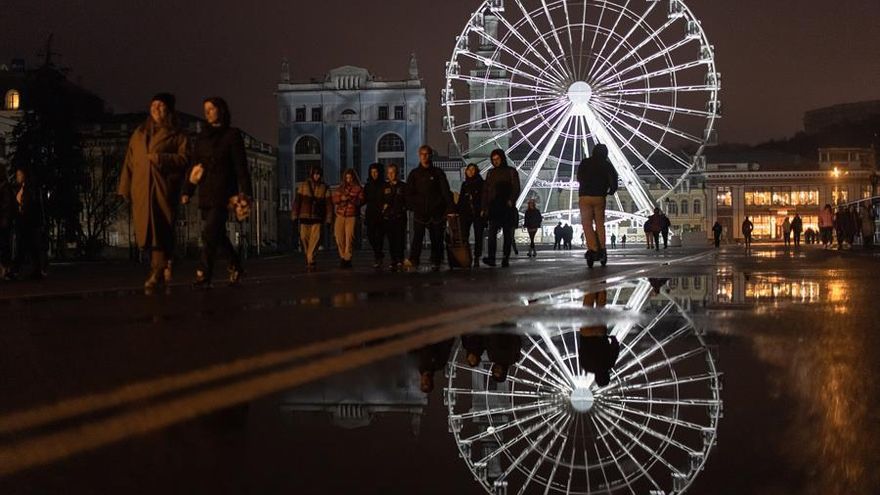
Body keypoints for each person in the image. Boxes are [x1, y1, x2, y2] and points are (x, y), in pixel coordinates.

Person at [117, 93, 188, 292]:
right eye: (153, 105)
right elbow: (129, 162)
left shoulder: (177, 134)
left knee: (160, 228)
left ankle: (156, 271)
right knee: (145, 231)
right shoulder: (139, 133)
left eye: (161, 105)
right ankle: (165, 262)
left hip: (163, 188)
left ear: (169, 110)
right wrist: (125, 187)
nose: (156, 108)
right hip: (141, 189)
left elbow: (185, 159)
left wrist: (161, 158)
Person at [182, 97, 252, 288]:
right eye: (206, 109)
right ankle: (235, 264)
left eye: (212, 108)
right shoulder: (202, 138)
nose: (208, 112)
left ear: (222, 110)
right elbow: (194, 166)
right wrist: (187, 190)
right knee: (218, 234)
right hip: (206, 192)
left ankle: (204, 273)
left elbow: (241, 167)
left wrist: (246, 193)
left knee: (209, 232)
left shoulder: (232, 135)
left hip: (225, 193)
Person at [405, 145, 453, 271]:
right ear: (419, 155)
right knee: (417, 238)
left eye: (427, 154)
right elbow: (408, 193)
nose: (425, 156)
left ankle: (437, 260)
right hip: (420, 211)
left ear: (430, 155)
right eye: (422, 154)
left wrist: (449, 208)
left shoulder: (438, 173)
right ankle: (414, 259)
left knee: (437, 238)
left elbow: (445, 191)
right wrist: (414, 205)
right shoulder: (414, 174)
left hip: (436, 211)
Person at [481, 148, 520, 267]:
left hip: (506, 206)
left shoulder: (511, 171)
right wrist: (484, 207)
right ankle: (492, 257)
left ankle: (505, 257)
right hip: (494, 206)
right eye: (493, 160)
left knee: (507, 233)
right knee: (492, 233)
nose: (495, 161)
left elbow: (516, 187)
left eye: (497, 159)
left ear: (502, 158)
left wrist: (511, 200)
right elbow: (486, 191)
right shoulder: (490, 173)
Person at [291, 166, 333, 271]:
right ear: (311, 174)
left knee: (316, 238)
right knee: (304, 238)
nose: (316, 176)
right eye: (315, 174)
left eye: (318, 174)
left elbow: (329, 205)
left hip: (317, 218)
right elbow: (297, 201)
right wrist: (294, 215)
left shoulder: (325, 187)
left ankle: (311, 258)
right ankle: (309, 255)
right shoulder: (303, 186)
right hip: (304, 217)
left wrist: (329, 219)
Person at [332, 168, 364, 268]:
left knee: (349, 237)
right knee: (338, 236)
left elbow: (361, 200)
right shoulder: (340, 188)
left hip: (351, 215)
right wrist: (341, 198)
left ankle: (347, 258)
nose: (348, 180)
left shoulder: (358, 188)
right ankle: (342, 256)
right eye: (347, 178)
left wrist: (353, 200)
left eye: (350, 178)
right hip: (341, 214)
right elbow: (334, 198)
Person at [457, 163, 485, 267]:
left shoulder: (481, 183)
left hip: (477, 213)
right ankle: (467, 256)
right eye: (469, 169)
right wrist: (458, 211)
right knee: (464, 235)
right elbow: (461, 200)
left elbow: (484, 198)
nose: (471, 171)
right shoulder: (464, 184)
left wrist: (483, 209)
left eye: (473, 169)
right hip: (465, 213)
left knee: (478, 236)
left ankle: (477, 256)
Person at [381, 164, 407, 270]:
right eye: (390, 172)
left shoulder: (403, 186)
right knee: (391, 239)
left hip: (400, 216)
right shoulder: (385, 187)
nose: (392, 175)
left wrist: (404, 207)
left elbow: (407, 200)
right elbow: (381, 200)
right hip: (389, 217)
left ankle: (400, 258)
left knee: (400, 239)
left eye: (393, 172)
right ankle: (393, 259)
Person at [363, 163, 386, 269]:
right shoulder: (368, 186)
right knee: (370, 235)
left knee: (379, 237)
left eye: (376, 172)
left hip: (381, 214)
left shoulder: (384, 185)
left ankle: (378, 257)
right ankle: (378, 253)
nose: (374, 174)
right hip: (371, 213)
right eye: (372, 172)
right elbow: (364, 199)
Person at [0, 164, 14, 279]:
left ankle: (6, 268)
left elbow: (6, 205)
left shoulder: (4, 187)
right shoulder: (4, 186)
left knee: (4, 245)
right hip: (4, 221)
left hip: (3, 222)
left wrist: (5, 219)